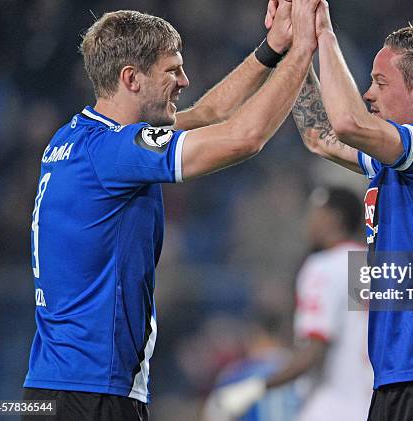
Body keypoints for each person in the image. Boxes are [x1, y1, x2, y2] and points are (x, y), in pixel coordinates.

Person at [22, 2, 323, 420]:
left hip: (50, 390)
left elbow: (208, 114)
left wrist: (272, 49)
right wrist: (304, 49)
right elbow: (244, 138)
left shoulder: (73, 139)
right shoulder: (112, 153)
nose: (184, 80)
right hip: (93, 395)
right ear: (131, 78)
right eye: (172, 70)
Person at [275, 2, 413, 420]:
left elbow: (348, 123)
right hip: (399, 377)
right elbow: (321, 135)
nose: (368, 93)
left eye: (378, 81)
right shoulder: (398, 159)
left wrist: (324, 33)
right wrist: (294, 49)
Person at [209, 187, 373, 420]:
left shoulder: (322, 266)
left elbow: (315, 349)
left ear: (334, 219)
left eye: (315, 213)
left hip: (332, 406)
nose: (308, 222)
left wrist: (254, 388)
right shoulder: (365, 263)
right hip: (370, 405)